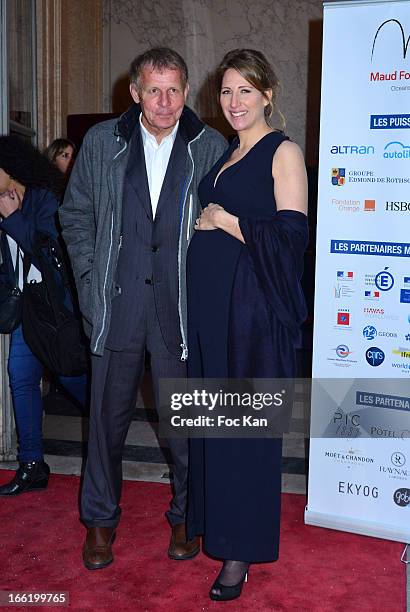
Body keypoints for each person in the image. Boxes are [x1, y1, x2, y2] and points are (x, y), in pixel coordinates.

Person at [59, 47, 226, 570]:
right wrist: (91, 285)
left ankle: (185, 515)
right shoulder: (101, 141)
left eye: (174, 89)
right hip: (116, 303)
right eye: (153, 90)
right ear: (134, 93)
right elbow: (76, 215)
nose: (165, 101)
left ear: (186, 90)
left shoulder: (210, 144)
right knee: (105, 424)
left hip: (179, 309)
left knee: (184, 424)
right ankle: (100, 523)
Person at [186, 49, 308, 601]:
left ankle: (241, 552)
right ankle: (219, 526)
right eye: (227, 92)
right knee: (217, 429)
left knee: (245, 434)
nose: (234, 102)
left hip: (251, 319)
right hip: (215, 315)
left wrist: (222, 219)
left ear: (268, 94)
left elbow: (289, 242)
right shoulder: (226, 155)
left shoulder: (283, 153)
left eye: (246, 91)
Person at [0, 135, 87, 496]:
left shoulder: (45, 198)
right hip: (27, 308)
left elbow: (48, 255)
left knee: (71, 376)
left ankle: (106, 416)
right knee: (20, 377)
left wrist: (14, 218)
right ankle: (32, 464)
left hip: (54, 307)